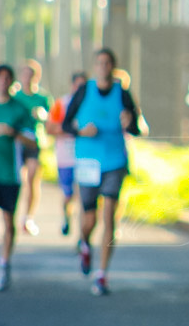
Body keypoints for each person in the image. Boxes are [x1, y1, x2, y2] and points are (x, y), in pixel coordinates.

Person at [61, 49, 142, 296]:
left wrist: (130, 123)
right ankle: (84, 244)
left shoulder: (123, 94)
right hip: (87, 161)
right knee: (89, 219)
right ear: (95, 67)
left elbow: (137, 129)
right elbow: (66, 124)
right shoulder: (84, 91)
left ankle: (102, 274)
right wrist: (81, 131)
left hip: (114, 161)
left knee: (109, 216)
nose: (103, 67)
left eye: (108, 63)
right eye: (99, 63)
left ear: (113, 67)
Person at [0, 65, 37, 292]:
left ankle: (4, 263)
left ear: (11, 82)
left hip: (10, 174)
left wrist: (14, 134)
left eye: (7, 78)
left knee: (7, 222)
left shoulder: (19, 110)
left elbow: (33, 142)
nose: (2, 82)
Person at [13, 59, 53, 236]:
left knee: (32, 177)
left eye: (31, 75)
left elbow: (52, 120)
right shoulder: (15, 97)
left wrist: (42, 116)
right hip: (17, 140)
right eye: (25, 74)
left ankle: (28, 217)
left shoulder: (43, 98)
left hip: (34, 141)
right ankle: (10, 214)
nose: (28, 78)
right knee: (17, 180)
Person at [45, 71, 88, 236]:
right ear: (72, 85)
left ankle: (82, 236)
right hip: (65, 156)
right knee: (68, 195)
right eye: (77, 85)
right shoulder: (62, 103)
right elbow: (50, 128)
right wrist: (71, 130)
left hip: (84, 157)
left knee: (83, 197)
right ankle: (66, 217)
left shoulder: (89, 104)